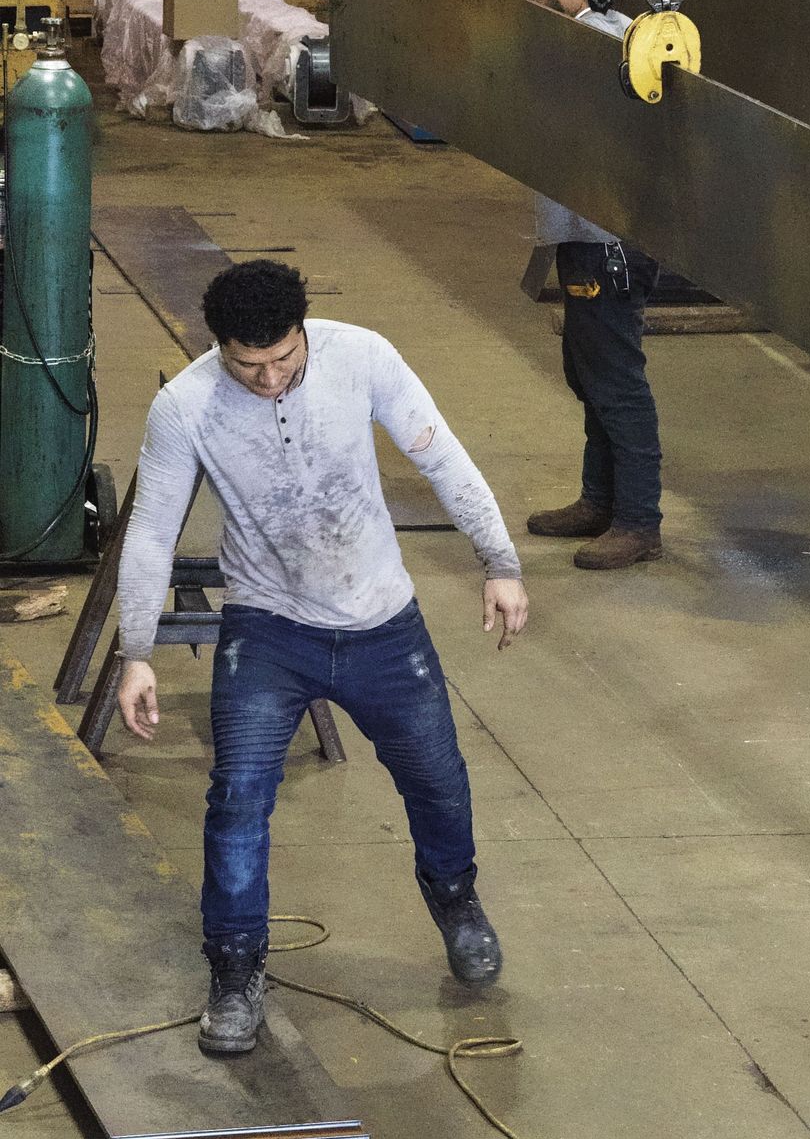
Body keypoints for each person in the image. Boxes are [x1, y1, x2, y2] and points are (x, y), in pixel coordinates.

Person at [114, 259, 530, 1060]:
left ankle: (456, 899)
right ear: (220, 349)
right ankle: (235, 972)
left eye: (283, 361)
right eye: (248, 365)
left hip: (384, 626)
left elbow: (443, 457)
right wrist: (138, 652)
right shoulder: (186, 407)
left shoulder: (362, 357)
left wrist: (500, 561)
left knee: (439, 782)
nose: (269, 379)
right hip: (268, 630)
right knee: (237, 803)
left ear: (305, 333)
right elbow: (152, 532)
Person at [519, 0, 665, 571]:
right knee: (589, 372)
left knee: (616, 380)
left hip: (611, 240)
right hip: (581, 234)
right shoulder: (573, 38)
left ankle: (639, 522)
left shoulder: (611, 43)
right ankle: (600, 500)